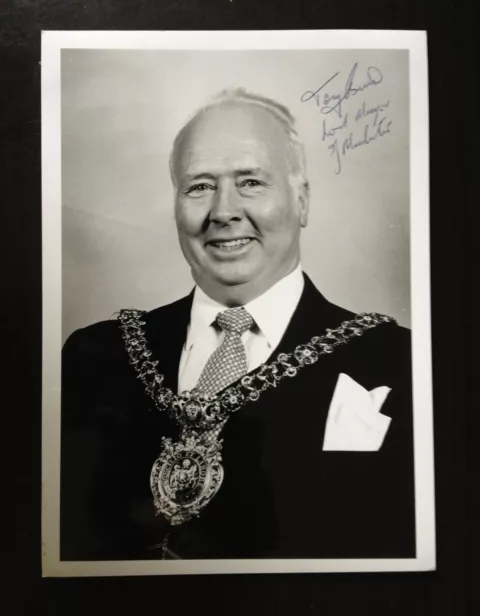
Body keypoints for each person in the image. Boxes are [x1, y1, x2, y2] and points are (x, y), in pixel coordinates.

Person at [60, 89, 415, 561]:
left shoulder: (398, 361)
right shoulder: (95, 355)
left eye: (250, 182)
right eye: (199, 186)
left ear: (302, 201)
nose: (223, 212)